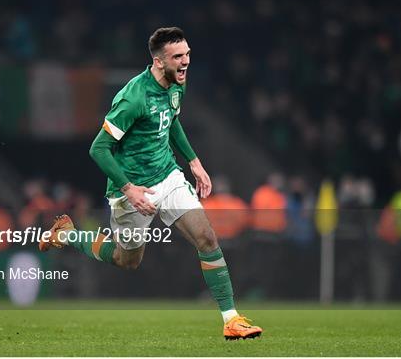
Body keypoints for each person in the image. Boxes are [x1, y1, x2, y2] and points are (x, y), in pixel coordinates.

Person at [39, 27, 262, 340]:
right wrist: (129, 189)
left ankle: (231, 320)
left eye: (187, 54)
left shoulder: (176, 84)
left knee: (207, 238)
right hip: (130, 188)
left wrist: (194, 162)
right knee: (126, 259)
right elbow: (98, 148)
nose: (185, 62)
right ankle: (68, 234)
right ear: (159, 62)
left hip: (168, 176)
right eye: (177, 57)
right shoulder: (133, 98)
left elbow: (171, 122)